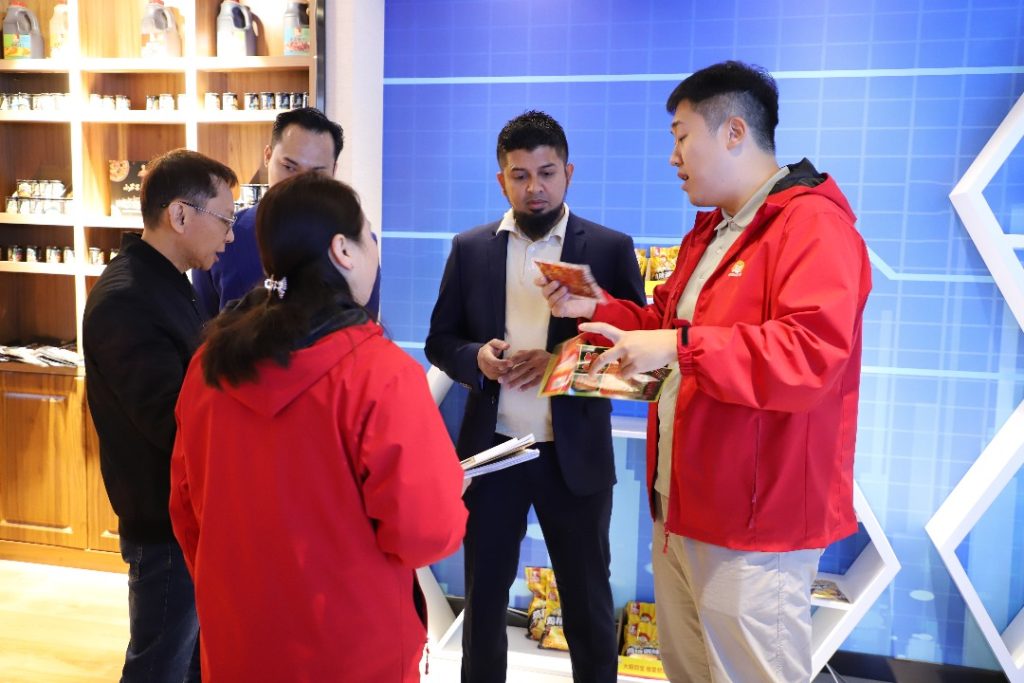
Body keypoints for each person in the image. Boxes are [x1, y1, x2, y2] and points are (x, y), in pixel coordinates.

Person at [540, 61, 872, 682]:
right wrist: (599, 308)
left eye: (682, 136)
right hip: (682, 505)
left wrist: (678, 346)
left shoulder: (812, 226)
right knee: (687, 670)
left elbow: (807, 354)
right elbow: (669, 326)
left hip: (757, 522)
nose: (673, 157)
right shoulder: (713, 232)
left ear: (734, 132)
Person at [169, 172, 468, 681]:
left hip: (239, 637)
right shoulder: (380, 374)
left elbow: (186, 507)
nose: (375, 249)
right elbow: (426, 534)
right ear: (343, 251)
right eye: (370, 236)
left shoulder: (209, 366)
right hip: (354, 648)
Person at [426, 110, 646, 683]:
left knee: (588, 602)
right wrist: (476, 358)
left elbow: (636, 358)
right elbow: (439, 340)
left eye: (547, 173)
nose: (535, 187)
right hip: (493, 451)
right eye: (520, 175)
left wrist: (557, 366)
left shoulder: (609, 248)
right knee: (483, 600)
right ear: (502, 180)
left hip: (574, 455)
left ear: (568, 173)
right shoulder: (470, 248)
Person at [83, 148, 238, 682]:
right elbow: (172, 422)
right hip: (163, 521)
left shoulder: (168, 281)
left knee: (190, 663)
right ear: (179, 214)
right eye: (225, 220)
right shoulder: (126, 298)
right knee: (158, 667)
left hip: (188, 512)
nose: (230, 237)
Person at [191, 106, 381, 318]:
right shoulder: (220, 236)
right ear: (268, 156)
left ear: (334, 171)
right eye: (289, 167)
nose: (299, 183)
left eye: (316, 174)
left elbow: (364, 326)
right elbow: (202, 327)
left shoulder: (356, 244)